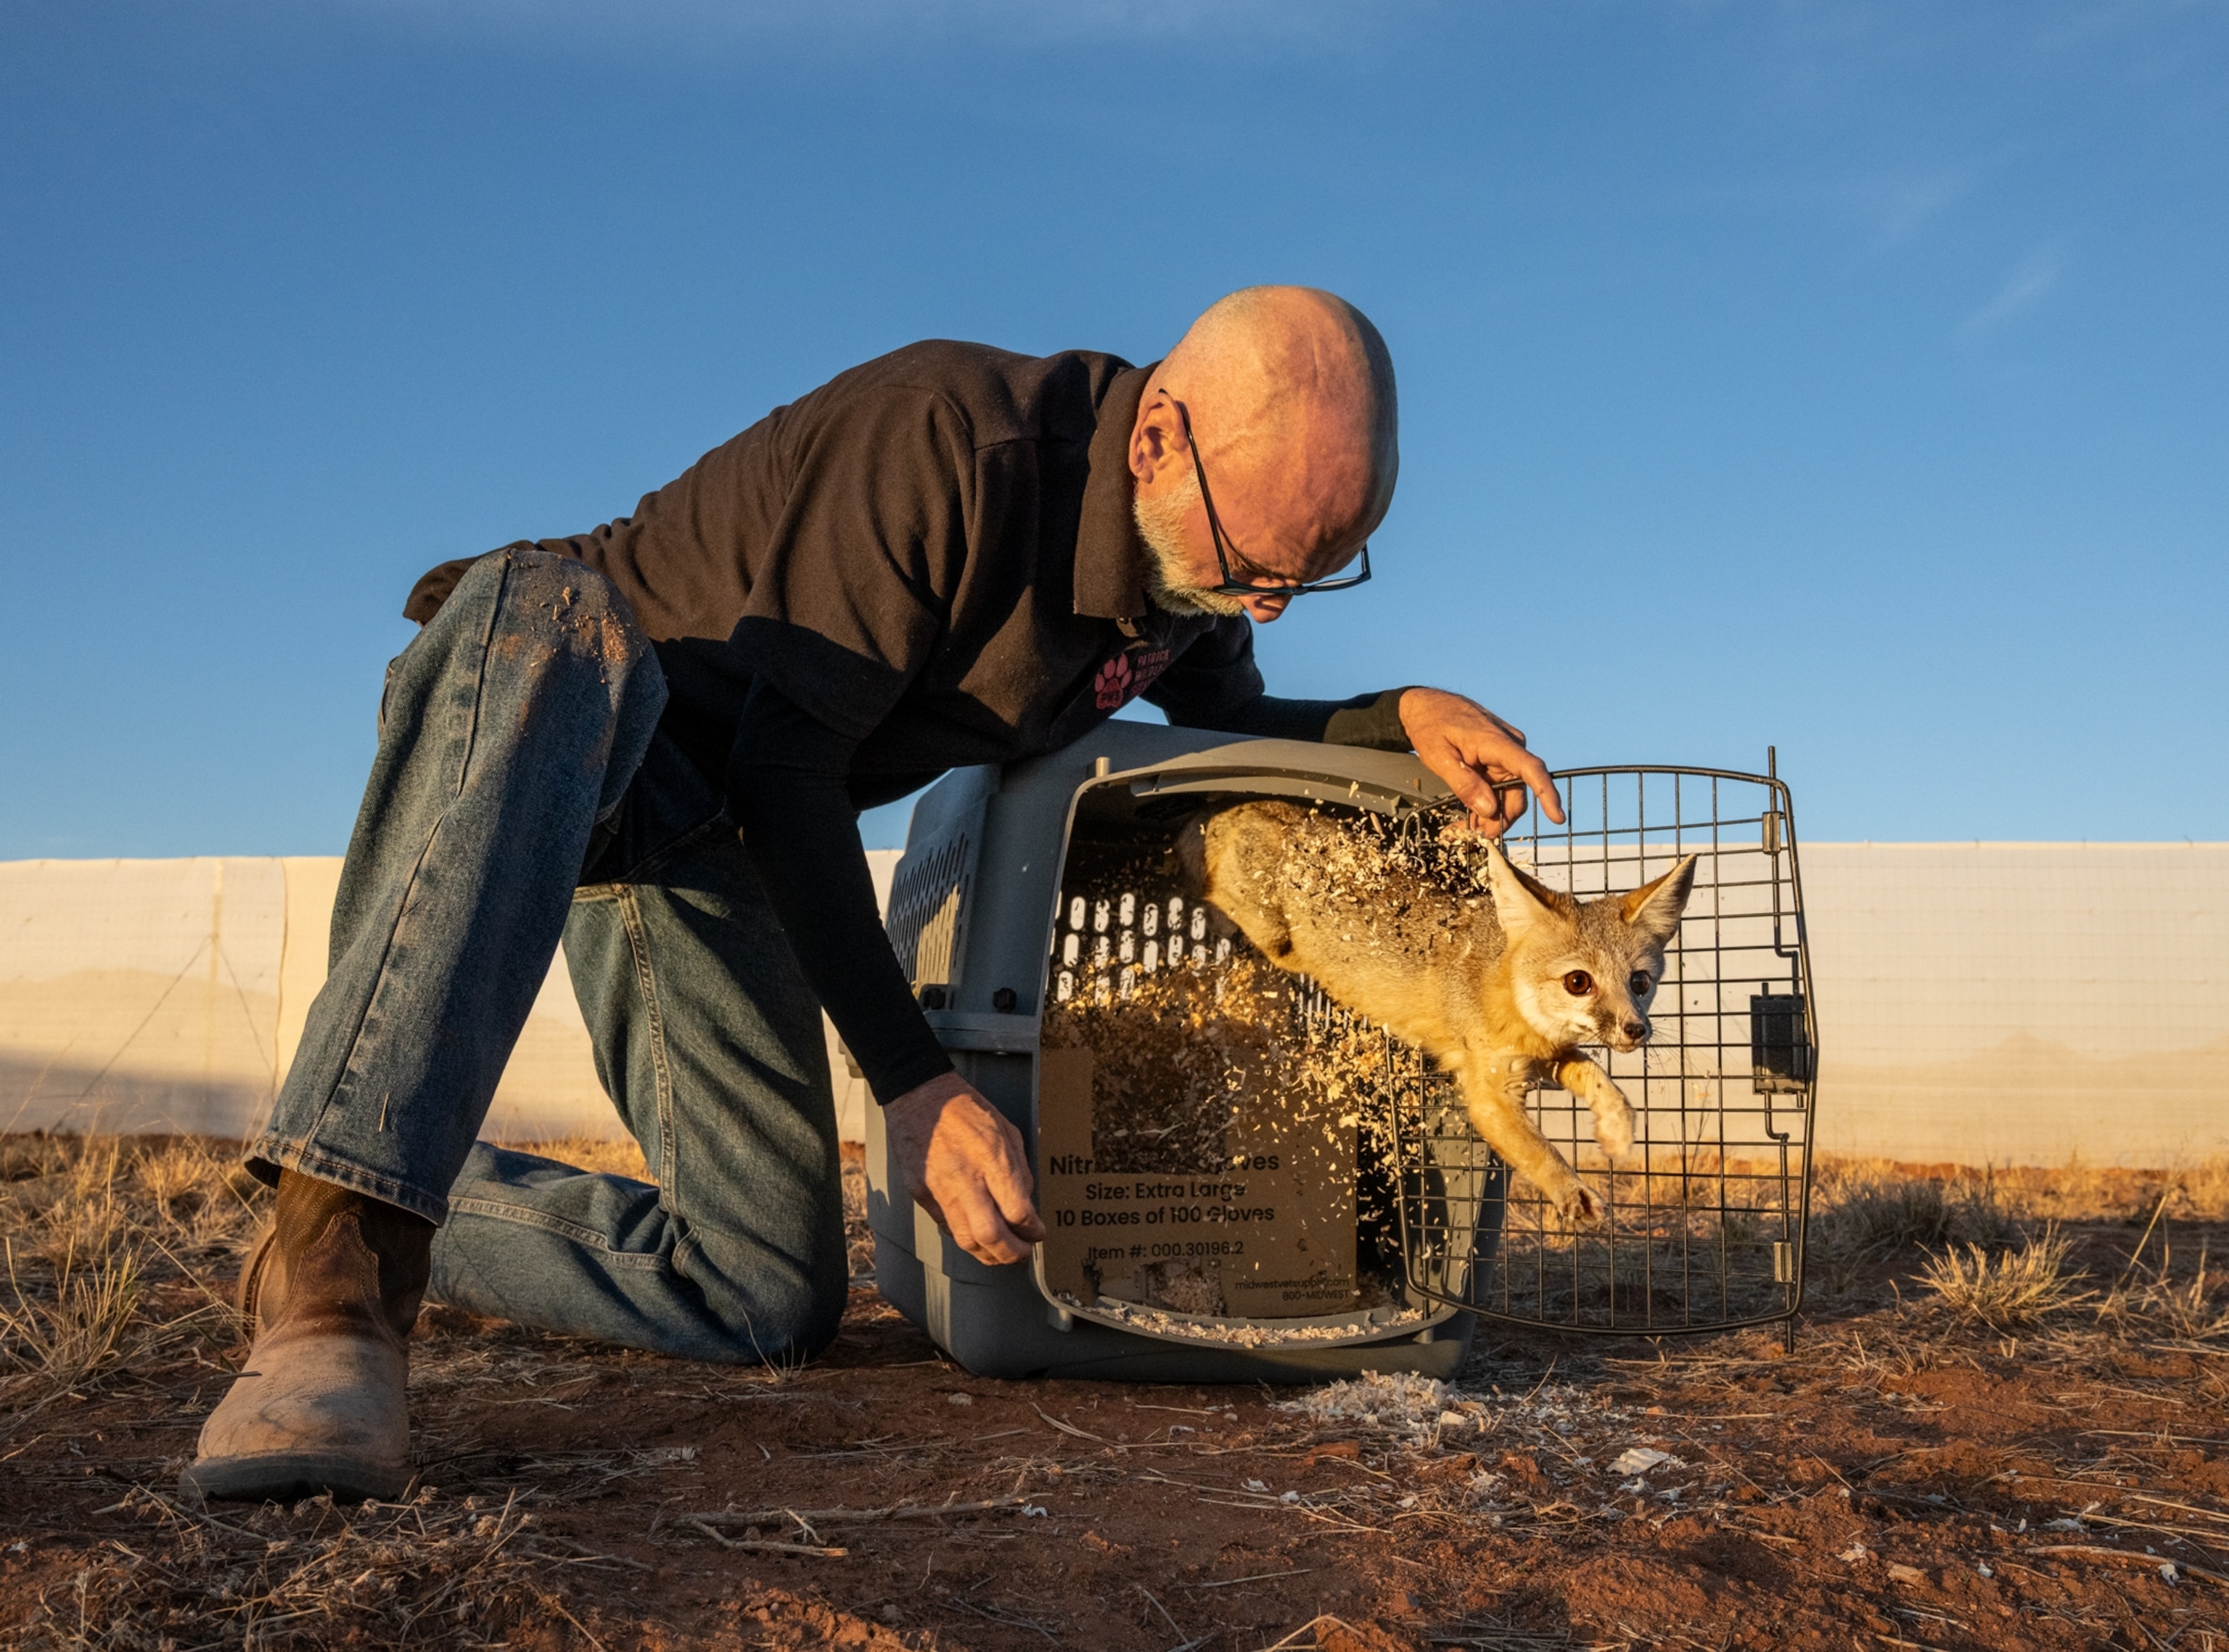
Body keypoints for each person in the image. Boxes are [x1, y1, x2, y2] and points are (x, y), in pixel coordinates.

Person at [182, 286, 1566, 1503]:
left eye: (1311, 576)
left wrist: (1396, 716)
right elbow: (797, 770)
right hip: (563, 722)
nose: (1265, 606)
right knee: (551, 613)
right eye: (1255, 564)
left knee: (767, 1295)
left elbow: (1215, 751)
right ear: (1158, 440)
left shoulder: (1178, 585)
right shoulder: (950, 442)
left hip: (711, 843)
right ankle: (335, 1279)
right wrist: (915, 1082)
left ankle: (354, 1168)